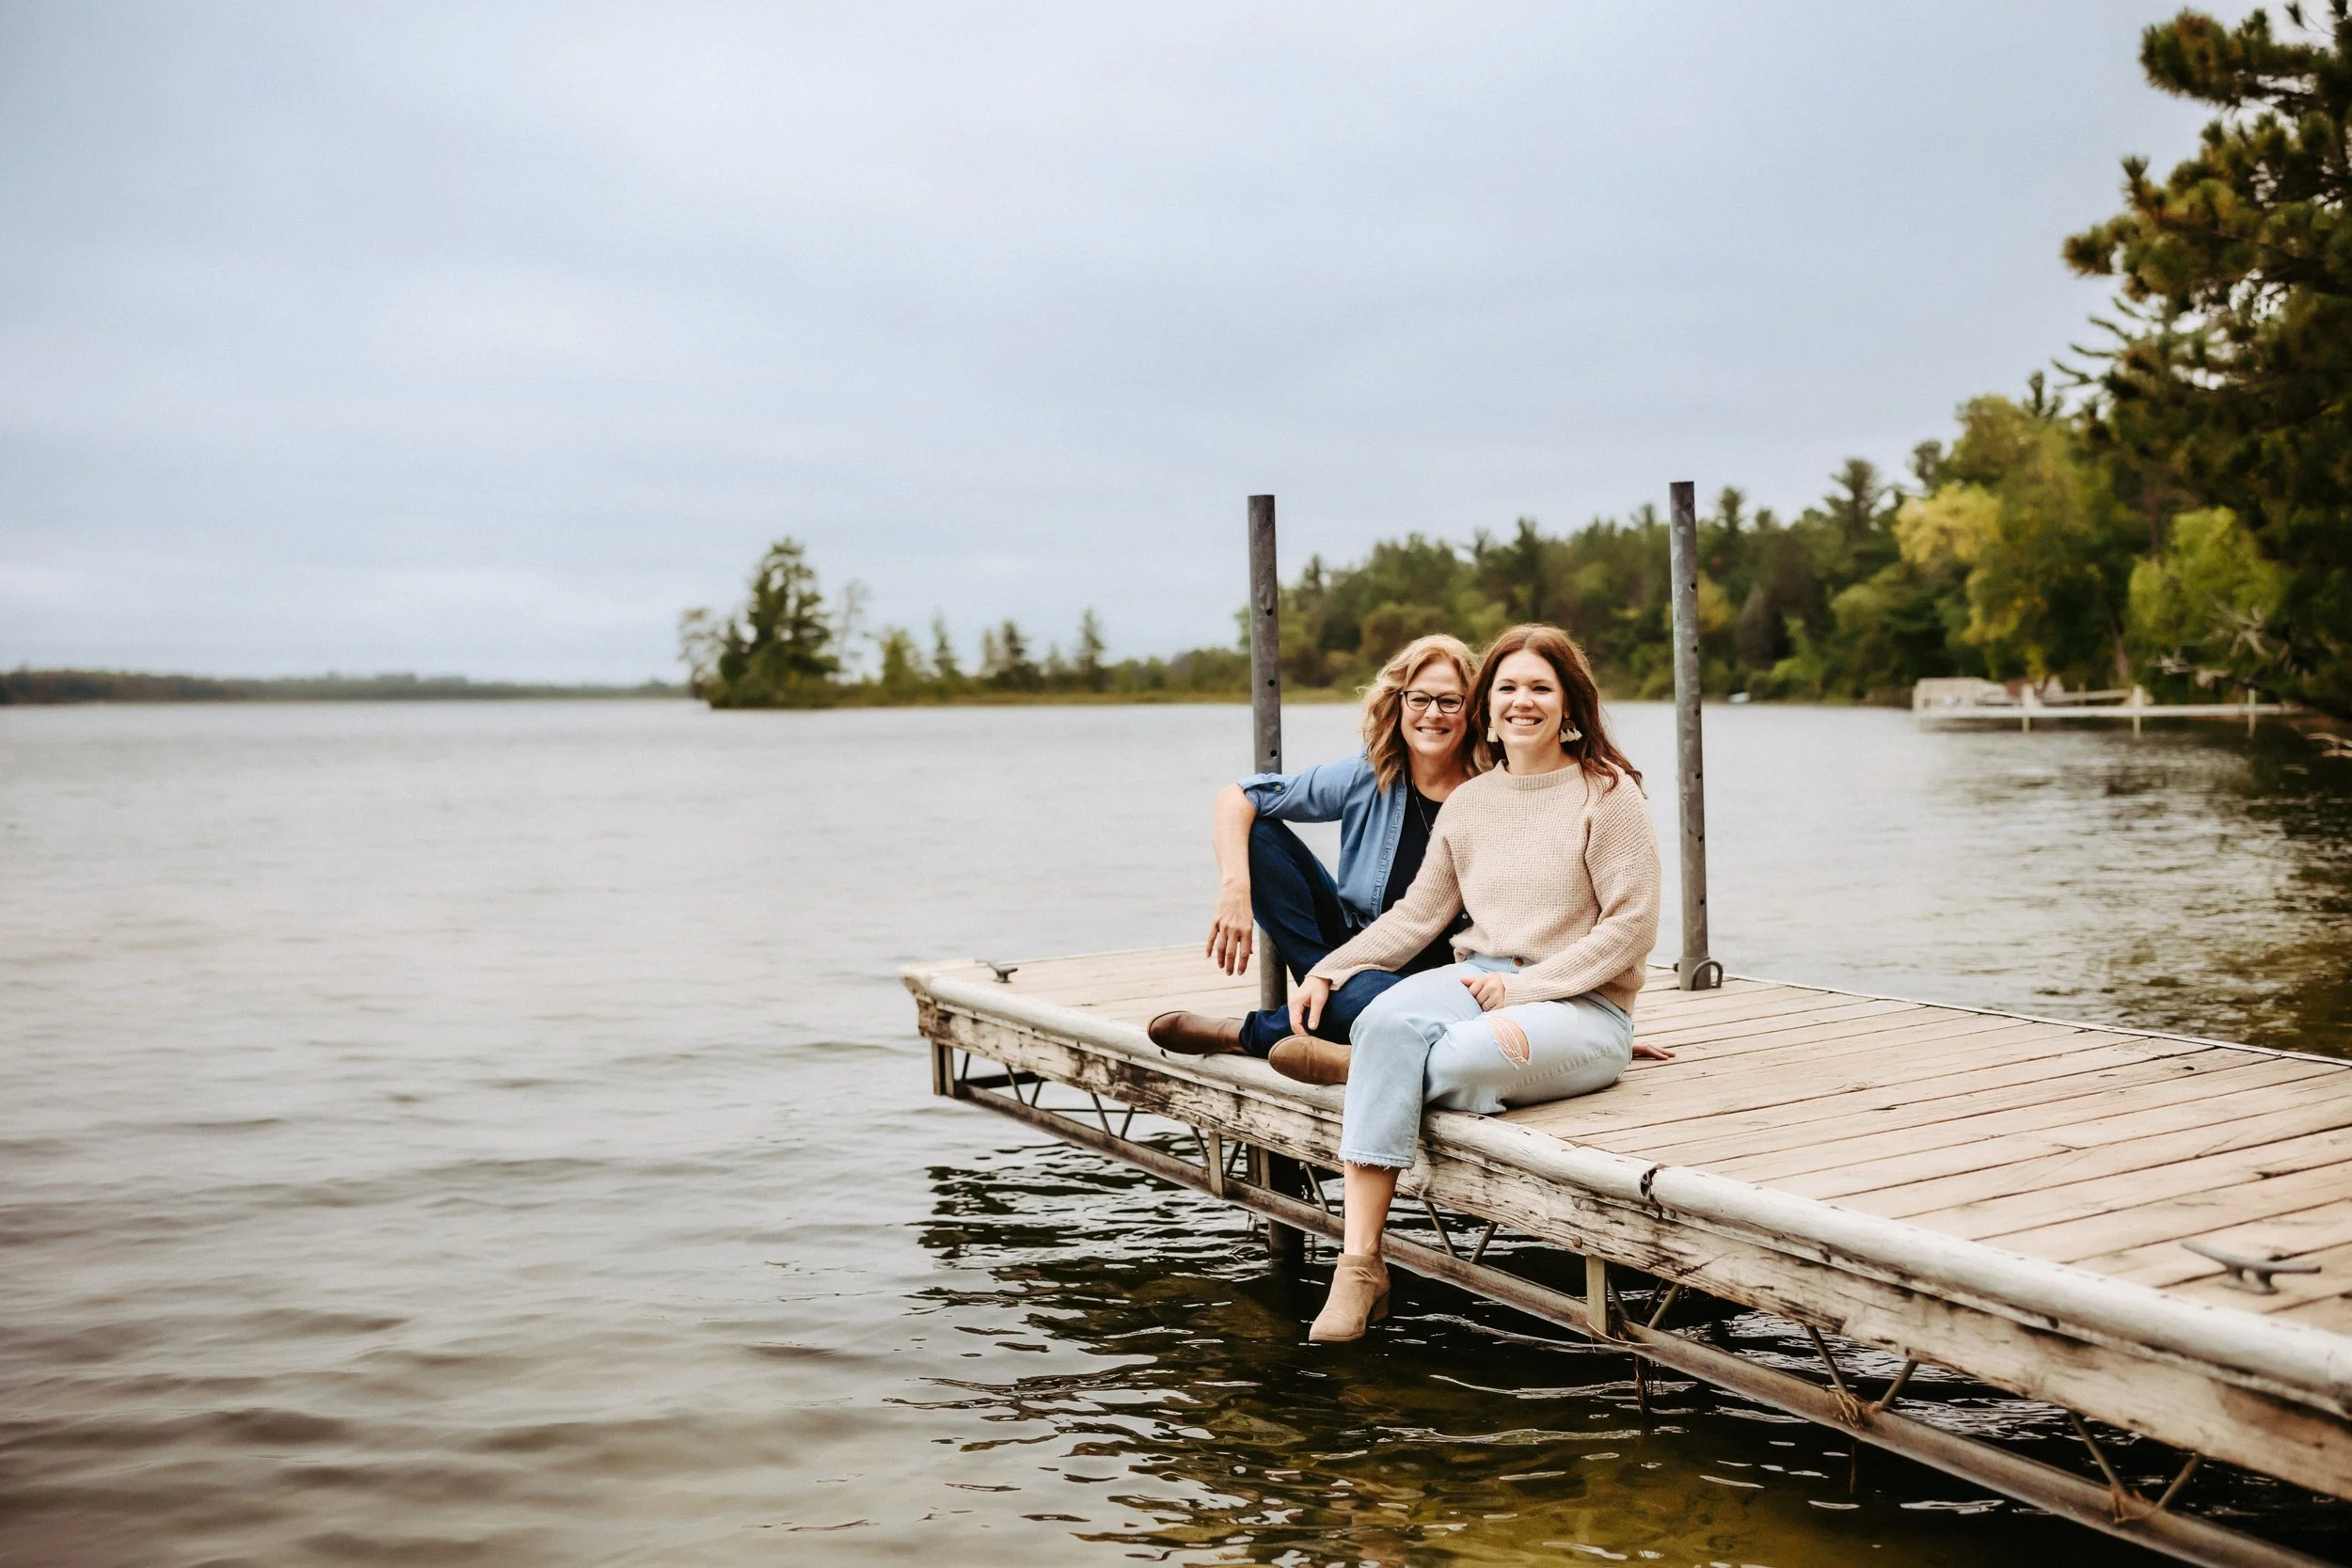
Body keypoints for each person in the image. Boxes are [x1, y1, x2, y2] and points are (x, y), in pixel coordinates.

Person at [1285, 624, 1669, 1344]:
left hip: (1584, 1005)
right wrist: (1330, 968)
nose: (1523, 701)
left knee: (1455, 1056)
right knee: (1384, 1021)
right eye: (1507, 687)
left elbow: (1631, 928)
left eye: (1540, 687)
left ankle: (1372, 1071)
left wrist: (1530, 988)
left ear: (1569, 703)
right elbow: (1418, 915)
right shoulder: (1470, 801)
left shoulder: (1608, 793)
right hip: (1478, 977)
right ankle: (1360, 1263)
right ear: (1486, 705)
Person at [1145, 634, 1482, 1063]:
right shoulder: (1369, 775)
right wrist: (1235, 889)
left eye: (1450, 701)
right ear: (1397, 704)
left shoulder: (1491, 790)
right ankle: (1323, 1001)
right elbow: (1239, 797)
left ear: (1472, 711)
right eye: (1419, 699)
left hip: (1434, 976)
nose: (1432, 714)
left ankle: (1242, 1034)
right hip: (1349, 951)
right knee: (1258, 834)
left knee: (1372, 1000)